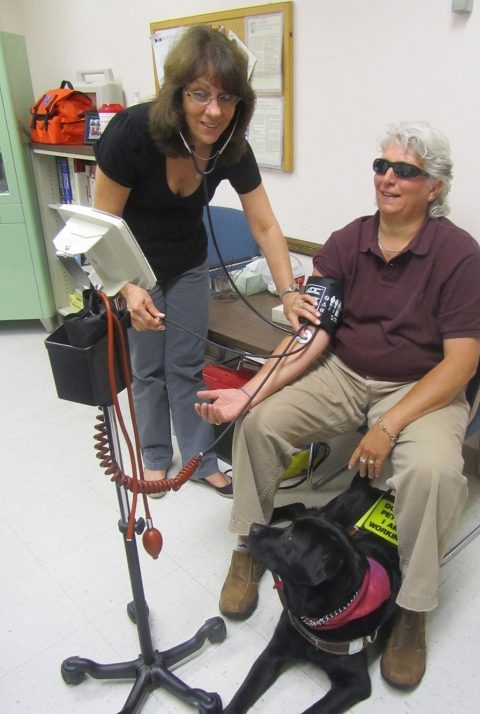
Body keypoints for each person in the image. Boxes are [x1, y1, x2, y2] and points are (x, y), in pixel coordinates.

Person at [195, 121, 480, 688]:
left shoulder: (458, 255)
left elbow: (460, 365)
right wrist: (250, 389)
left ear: (434, 187)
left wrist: (389, 427)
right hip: (345, 371)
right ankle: (249, 543)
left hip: (423, 387)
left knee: (430, 471)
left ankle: (413, 608)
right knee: (260, 422)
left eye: (405, 170)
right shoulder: (347, 241)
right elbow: (314, 333)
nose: (387, 178)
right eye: (382, 166)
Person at [93, 25, 309, 498]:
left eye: (227, 98)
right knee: (147, 368)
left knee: (186, 365)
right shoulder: (132, 133)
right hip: (133, 267)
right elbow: (101, 225)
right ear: (177, 93)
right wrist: (127, 289)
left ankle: (199, 458)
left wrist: (289, 291)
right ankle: (153, 457)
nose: (214, 110)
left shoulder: (231, 146)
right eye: (200, 94)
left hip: (189, 263)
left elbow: (266, 225)